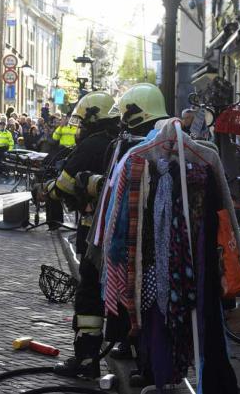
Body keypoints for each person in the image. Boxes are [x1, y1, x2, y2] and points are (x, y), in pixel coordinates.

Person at [52, 85, 170, 382]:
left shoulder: (105, 145)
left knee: (90, 294)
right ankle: (128, 345)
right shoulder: (158, 143)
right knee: (128, 293)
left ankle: (87, 357)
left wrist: (81, 184)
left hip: (99, 231)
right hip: (141, 239)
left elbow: (72, 187)